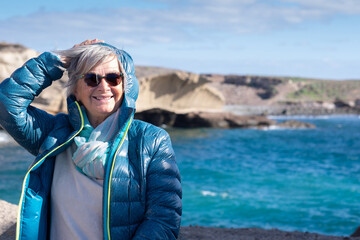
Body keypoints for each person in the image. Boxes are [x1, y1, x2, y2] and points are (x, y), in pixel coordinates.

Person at [0, 39, 182, 239]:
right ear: (75, 90)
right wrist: (60, 60)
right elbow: (7, 103)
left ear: (125, 85)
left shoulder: (151, 140)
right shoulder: (54, 134)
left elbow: (164, 218)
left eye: (113, 78)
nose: (103, 87)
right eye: (91, 79)